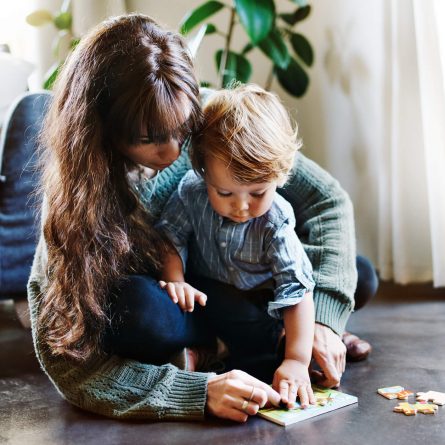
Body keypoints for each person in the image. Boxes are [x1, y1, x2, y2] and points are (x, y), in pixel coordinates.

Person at [27, 13, 376, 423]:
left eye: (182, 129)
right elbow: (67, 364)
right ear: (101, 128)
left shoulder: (214, 117)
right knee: (134, 311)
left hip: (256, 280)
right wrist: (198, 392)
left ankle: (271, 339)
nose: (174, 151)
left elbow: (327, 201)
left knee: (357, 273)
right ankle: (229, 348)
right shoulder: (76, 193)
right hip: (187, 300)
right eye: (149, 138)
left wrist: (323, 321)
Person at [157, 84, 316, 408]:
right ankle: (226, 349)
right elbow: (169, 237)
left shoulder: (276, 220)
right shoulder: (191, 191)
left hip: (262, 303)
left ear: (279, 176)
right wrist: (176, 280)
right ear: (203, 172)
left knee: (359, 278)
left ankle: (304, 344)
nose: (241, 207)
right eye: (225, 194)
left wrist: (297, 361)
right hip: (211, 296)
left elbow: (296, 292)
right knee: (205, 301)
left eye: (257, 193)